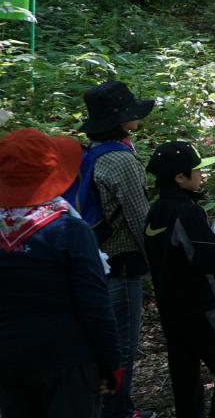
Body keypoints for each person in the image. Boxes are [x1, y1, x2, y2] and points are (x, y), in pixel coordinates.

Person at [0, 128, 121, 418]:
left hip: (8, 360)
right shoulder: (68, 229)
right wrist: (111, 362)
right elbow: (94, 304)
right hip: (69, 361)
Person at [144, 141, 215, 418]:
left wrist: (210, 242)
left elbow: (173, 253)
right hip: (199, 304)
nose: (202, 175)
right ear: (180, 177)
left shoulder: (155, 210)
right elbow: (208, 261)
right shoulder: (186, 211)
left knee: (184, 368)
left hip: (169, 303)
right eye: (197, 170)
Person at [79, 80, 156, 418]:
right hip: (122, 261)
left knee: (107, 340)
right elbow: (141, 219)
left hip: (97, 257)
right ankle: (118, 411)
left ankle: (106, 406)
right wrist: (158, 262)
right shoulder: (121, 160)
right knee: (123, 344)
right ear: (121, 120)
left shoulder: (92, 153)